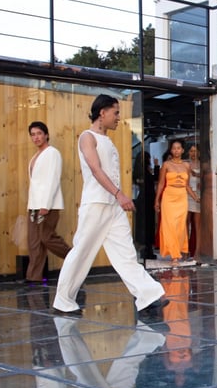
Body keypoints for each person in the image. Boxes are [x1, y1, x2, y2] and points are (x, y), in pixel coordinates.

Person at [52, 94, 168, 320]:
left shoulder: (107, 140)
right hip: (96, 204)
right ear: (102, 112)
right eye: (115, 113)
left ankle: (148, 296)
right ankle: (63, 300)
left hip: (113, 207)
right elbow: (96, 170)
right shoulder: (87, 137)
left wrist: (117, 197)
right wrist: (119, 194)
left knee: (126, 253)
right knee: (82, 252)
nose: (118, 118)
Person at [25, 121, 71, 283]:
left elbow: (53, 179)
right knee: (34, 242)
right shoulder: (35, 156)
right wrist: (32, 205)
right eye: (33, 134)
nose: (36, 137)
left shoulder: (52, 153)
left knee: (47, 237)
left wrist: (46, 204)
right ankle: (33, 277)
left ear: (46, 135)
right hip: (34, 205)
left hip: (47, 205)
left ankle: (75, 259)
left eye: (39, 133)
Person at [154, 139, 196, 266]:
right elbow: (161, 184)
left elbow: (187, 185)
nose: (176, 150)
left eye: (178, 148)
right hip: (168, 196)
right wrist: (157, 200)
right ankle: (174, 257)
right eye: (174, 148)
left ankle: (178, 251)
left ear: (182, 150)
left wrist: (196, 198)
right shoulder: (166, 165)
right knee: (170, 225)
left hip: (182, 197)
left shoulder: (187, 166)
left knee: (180, 227)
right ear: (171, 150)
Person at [186, 144, 203, 264]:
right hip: (187, 195)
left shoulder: (202, 165)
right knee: (185, 225)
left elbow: (206, 179)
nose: (193, 153)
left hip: (198, 196)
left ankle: (197, 251)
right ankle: (185, 250)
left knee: (197, 226)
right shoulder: (186, 165)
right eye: (191, 151)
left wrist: (201, 180)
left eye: (195, 151)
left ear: (199, 153)